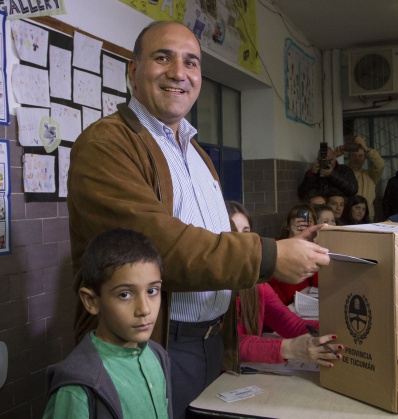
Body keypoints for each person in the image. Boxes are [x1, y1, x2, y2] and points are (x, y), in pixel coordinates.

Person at [67, 21, 330, 419]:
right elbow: (158, 247)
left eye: (191, 62)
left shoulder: (196, 154)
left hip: (213, 342)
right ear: (133, 71)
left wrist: (296, 248)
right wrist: (271, 256)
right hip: (156, 344)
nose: (178, 72)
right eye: (162, 57)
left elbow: (215, 241)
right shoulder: (107, 144)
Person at [43, 229, 172, 418]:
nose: (144, 309)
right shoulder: (78, 387)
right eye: (125, 294)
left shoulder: (157, 356)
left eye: (152, 291)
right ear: (91, 301)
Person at [226, 201, 341, 366]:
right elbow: (227, 344)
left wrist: (338, 328)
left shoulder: (256, 284)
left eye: (246, 233)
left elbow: (291, 324)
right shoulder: (209, 285)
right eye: (232, 233)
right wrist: (289, 348)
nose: (241, 242)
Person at [269, 204, 319, 304]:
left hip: (305, 302)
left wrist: (311, 244)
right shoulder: (276, 245)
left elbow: (317, 283)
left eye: (308, 220)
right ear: (288, 226)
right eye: (298, 220)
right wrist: (293, 241)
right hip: (284, 305)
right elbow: (272, 279)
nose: (303, 223)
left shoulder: (313, 247)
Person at [334, 136, 385, 221]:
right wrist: (334, 155)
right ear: (349, 157)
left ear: (365, 158)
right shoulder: (341, 172)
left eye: (360, 156)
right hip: (345, 217)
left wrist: (366, 149)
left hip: (366, 217)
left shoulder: (370, 175)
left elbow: (380, 165)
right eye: (354, 155)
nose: (357, 158)